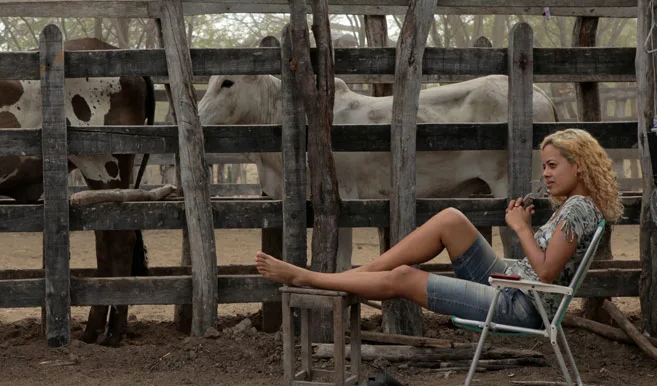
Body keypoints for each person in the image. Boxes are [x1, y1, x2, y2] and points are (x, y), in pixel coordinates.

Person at [255, 128, 623, 328]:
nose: (545, 174)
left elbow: (545, 274)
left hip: (521, 304)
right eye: (544, 166)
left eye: (553, 165)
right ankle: (357, 275)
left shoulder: (578, 209)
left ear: (579, 166)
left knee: (404, 277)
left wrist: (520, 228)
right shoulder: (577, 206)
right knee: (451, 219)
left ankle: (310, 278)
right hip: (512, 283)